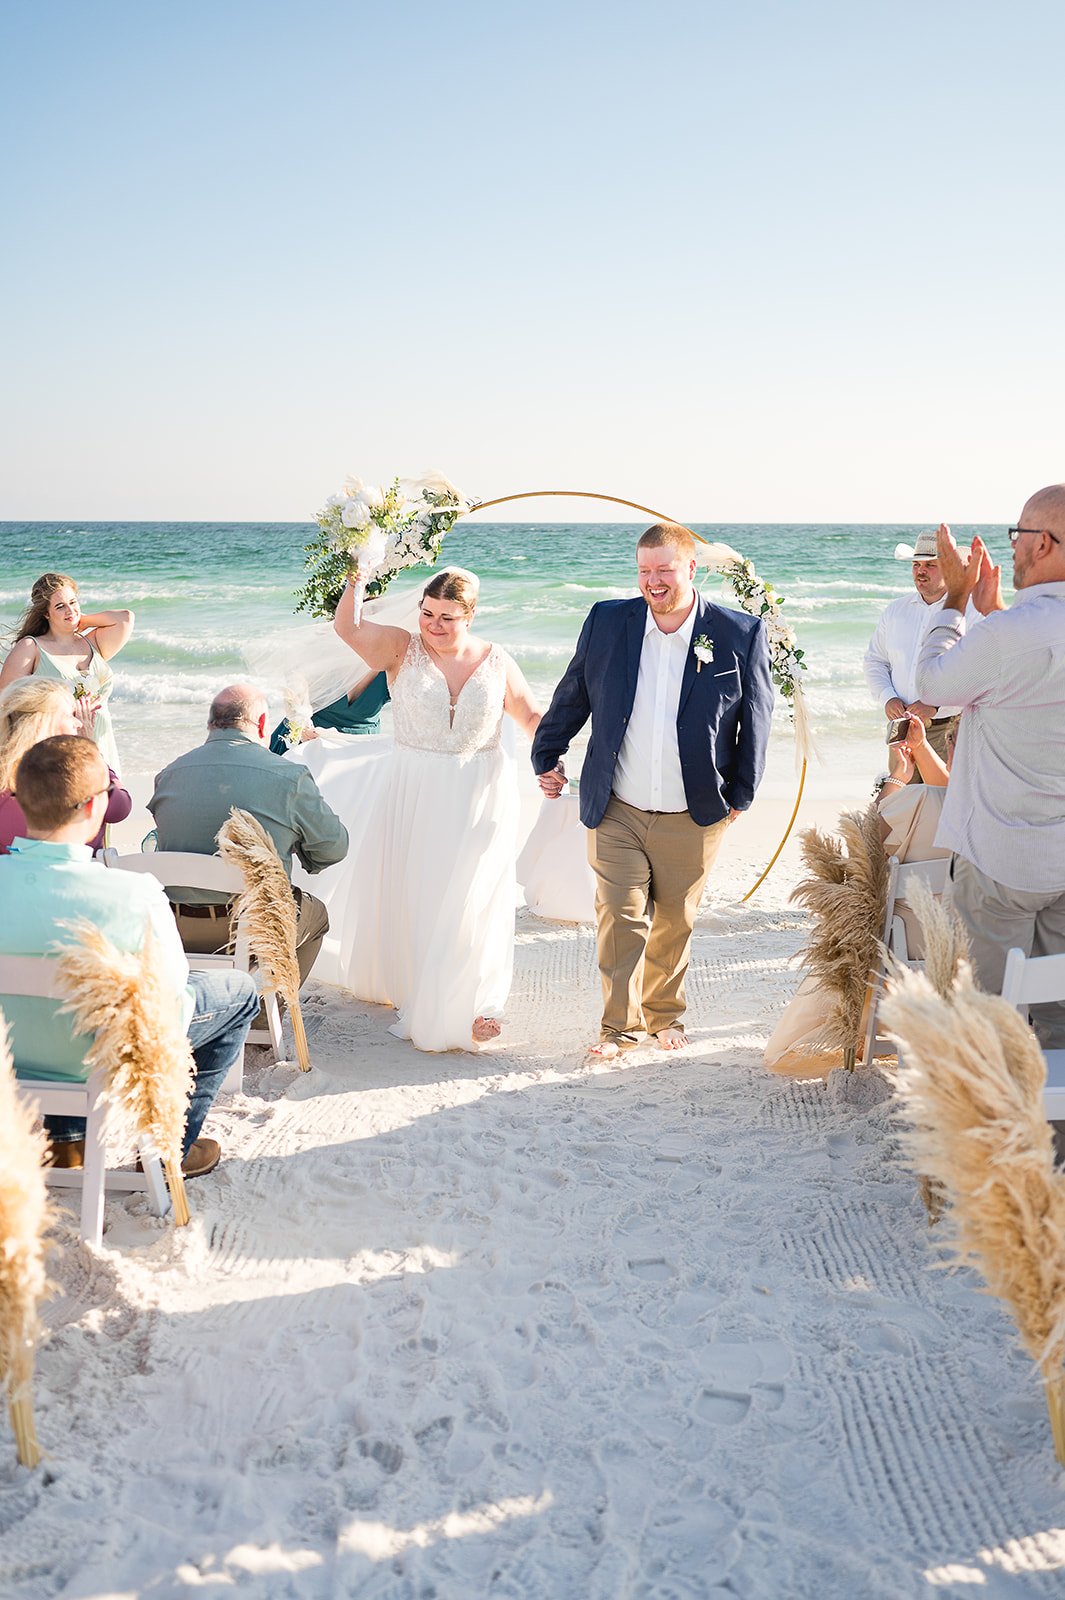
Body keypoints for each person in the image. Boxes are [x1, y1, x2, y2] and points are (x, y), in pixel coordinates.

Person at [532, 522, 774, 1057]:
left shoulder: (740, 633)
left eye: (664, 570)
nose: (653, 582)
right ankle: (618, 1027)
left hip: (695, 810)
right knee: (619, 916)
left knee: (674, 921)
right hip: (616, 803)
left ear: (691, 569)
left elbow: (756, 720)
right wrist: (547, 753)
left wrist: (741, 794)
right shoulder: (607, 621)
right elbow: (573, 693)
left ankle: (664, 1015)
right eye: (644, 571)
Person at [0, 736, 258, 1177]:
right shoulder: (132, 892)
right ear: (91, 809)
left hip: (9, 1054)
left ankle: (66, 1142)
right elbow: (169, 1003)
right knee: (239, 991)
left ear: (21, 801)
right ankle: (169, 1147)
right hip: (95, 1060)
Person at [330, 566, 542, 1050]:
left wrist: (552, 752)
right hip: (414, 787)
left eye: (447, 617)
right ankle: (419, 988)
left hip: (478, 791)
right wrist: (356, 580)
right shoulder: (400, 648)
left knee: (472, 893)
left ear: (470, 616)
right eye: (427, 613)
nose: (434, 625)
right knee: (419, 889)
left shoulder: (497, 660)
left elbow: (529, 714)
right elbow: (348, 628)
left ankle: (473, 1004)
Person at [914, 488, 1065, 1047]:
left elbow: (931, 685)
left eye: (1019, 536)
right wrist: (996, 614)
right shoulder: (1012, 631)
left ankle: (987, 1126)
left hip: (1002, 856)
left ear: (1042, 543)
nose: (1016, 547)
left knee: (984, 1014)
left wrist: (955, 601)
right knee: (1061, 1018)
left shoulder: (1006, 637)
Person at [764, 715, 953, 1079]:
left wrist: (899, 774)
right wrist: (923, 749)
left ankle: (860, 1029)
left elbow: (868, 838)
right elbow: (951, 788)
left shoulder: (917, 799)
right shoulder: (991, 807)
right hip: (977, 944)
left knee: (857, 915)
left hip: (904, 947)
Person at [148, 684, 348, 981]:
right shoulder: (288, 777)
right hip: (253, 929)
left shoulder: (168, 775)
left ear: (210, 723)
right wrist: (297, 846)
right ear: (263, 724)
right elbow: (334, 848)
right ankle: (265, 1018)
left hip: (175, 927)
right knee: (316, 916)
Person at [0, 572, 134, 775]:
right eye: (60, 606)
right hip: (59, 746)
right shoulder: (31, 647)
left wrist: (83, 620)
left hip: (102, 742)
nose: (70, 610)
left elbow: (125, 618)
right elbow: (5, 702)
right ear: (45, 613)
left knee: (109, 802)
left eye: (73, 602)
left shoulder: (93, 642)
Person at [863, 532, 971, 774]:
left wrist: (933, 705)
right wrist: (887, 697)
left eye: (930, 565)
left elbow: (977, 673)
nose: (921, 571)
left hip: (948, 730)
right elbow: (875, 661)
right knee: (899, 803)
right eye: (916, 564)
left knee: (945, 804)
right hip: (900, 728)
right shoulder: (895, 611)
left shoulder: (970, 612)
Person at [0, 677, 131, 853]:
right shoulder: (72, 771)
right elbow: (120, 806)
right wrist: (89, 752)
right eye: (70, 715)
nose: (78, 723)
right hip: (78, 875)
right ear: (43, 723)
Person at [268, 670, 390, 754]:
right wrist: (301, 723)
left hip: (361, 751)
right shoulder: (325, 645)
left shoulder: (393, 656)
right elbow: (295, 682)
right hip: (308, 741)